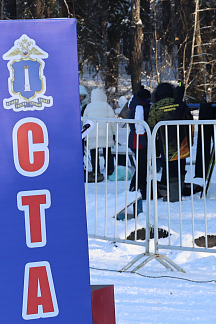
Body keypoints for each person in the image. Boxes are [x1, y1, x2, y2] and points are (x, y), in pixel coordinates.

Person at [148, 82, 194, 200]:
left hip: (165, 144)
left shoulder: (155, 107)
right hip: (182, 142)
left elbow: (151, 126)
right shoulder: (179, 104)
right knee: (181, 166)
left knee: (169, 168)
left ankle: (173, 196)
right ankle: (178, 191)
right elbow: (190, 120)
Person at [118, 86, 151, 220]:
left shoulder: (136, 103)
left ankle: (137, 189)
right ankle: (136, 189)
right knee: (142, 166)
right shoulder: (139, 106)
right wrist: (144, 136)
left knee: (142, 166)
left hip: (137, 139)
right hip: (139, 140)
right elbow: (139, 123)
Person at [82, 88, 117, 183]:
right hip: (105, 133)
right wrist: (113, 131)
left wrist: (85, 133)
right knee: (107, 152)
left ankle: (95, 171)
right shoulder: (106, 106)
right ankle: (110, 170)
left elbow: (85, 121)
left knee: (94, 153)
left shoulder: (88, 107)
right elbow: (112, 119)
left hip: (92, 133)